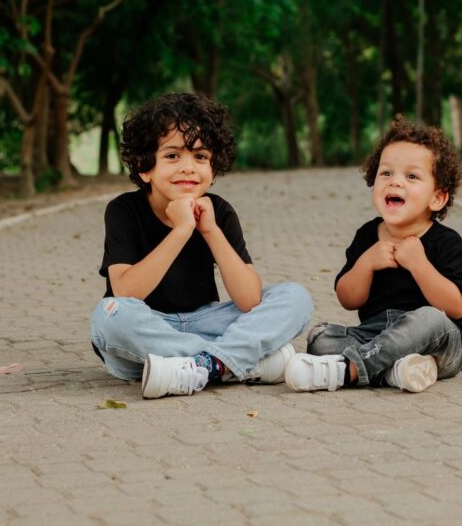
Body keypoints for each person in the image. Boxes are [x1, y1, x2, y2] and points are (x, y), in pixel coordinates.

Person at [89, 93, 313, 399]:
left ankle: (201, 367)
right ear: (144, 167)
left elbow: (249, 299)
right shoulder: (124, 210)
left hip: (206, 322)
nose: (188, 167)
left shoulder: (219, 211)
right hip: (147, 333)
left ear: (213, 167)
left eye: (200, 157)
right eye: (172, 156)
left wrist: (210, 230)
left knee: (295, 297)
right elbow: (127, 292)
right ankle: (235, 362)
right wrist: (182, 230)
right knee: (109, 315)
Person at [284, 116, 462, 393]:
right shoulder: (367, 236)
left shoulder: (448, 243)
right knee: (320, 339)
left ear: (437, 198)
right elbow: (348, 299)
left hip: (438, 341)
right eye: (386, 173)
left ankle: (347, 371)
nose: (395, 182)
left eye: (411, 176)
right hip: (376, 333)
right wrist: (366, 264)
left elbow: (455, 307)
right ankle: (395, 372)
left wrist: (419, 264)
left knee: (429, 318)